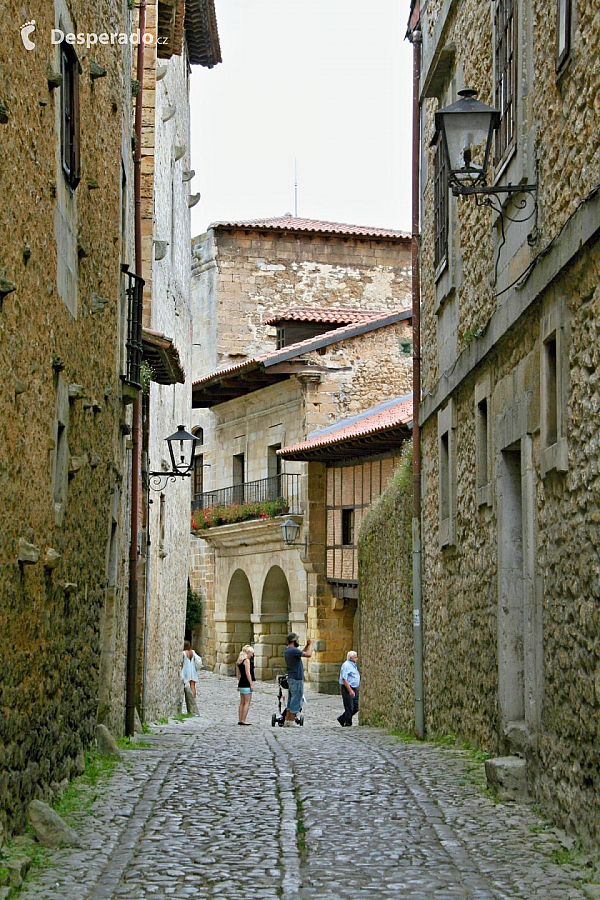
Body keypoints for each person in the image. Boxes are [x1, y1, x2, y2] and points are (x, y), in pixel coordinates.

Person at [283, 632, 312, 727]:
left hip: (292, 678)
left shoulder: (288, 650)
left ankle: (287, 720)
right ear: (294, 641)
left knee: (291, 700)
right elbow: (308, 654)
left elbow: (300, 653)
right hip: (296, 678)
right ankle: (291, 721)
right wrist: (311, 645)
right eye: (297, 640)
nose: (298, 641)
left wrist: (307, 645)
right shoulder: (292, 650)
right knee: (296, 700)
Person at [337, 650, 360, 727]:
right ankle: (348, 723)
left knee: (356, 707)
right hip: (348, 688)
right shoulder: (346, 665)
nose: (357, 659)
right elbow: (344, 678)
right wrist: (350, 690)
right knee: (349, 707)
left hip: (354, 688)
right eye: (355, 657)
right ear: (350, 658)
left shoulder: (353, 665)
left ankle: (342, 718)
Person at [235, 645, 255, 725]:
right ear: (248, 652)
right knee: (247, 702)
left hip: (241, 683)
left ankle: (240, 719)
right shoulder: (246, 661)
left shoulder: (239, 661)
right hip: (246, 683)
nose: (252, 655)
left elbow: (238, 674)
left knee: (242, 702)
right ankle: (243, 719)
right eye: (251, 653)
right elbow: (248, 673)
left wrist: (240, 681)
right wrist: (251, 684)